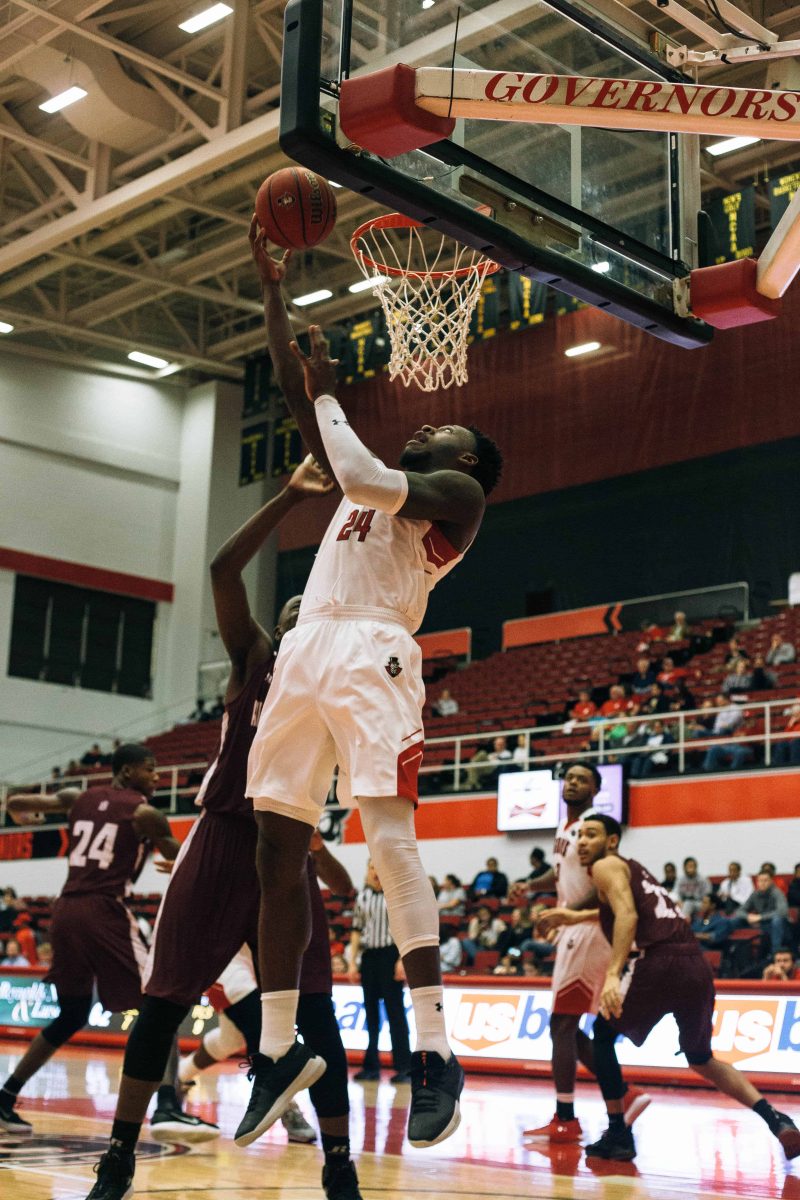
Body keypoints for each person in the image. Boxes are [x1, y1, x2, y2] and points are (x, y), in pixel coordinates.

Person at [240, 224, 503, 1152]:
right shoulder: (381, 482)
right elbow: (295, 393)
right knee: (275, 843)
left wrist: (328, 395)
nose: (430, 423)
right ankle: (277, 1051)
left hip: (374, 655)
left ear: (466, 462)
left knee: (388, 837)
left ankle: (435, 1051)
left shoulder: (454, 500)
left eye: (447, 431)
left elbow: (344, 456)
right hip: (306, 648)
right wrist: (274, 294)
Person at [83, 463, 365, 1200]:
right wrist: (291, 498)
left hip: (290, 847)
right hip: (222, 838)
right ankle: (119, 1154)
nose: (311, 617)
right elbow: (221, 568)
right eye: (298, 611)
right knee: (166, 997)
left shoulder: (343, 680)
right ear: (285, 628)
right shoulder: (258, 658)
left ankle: (340, 1168)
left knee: (314, 1015)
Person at [557, 814, 800, 1161]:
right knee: (701, 1057)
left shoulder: (605, 866)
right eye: (579, 835)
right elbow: (629, 907)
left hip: (659, 962)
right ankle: (775, 1119)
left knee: (603, 1034)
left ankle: (618, 1132)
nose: (581, 841)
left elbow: (627, 915)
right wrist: (573, 916)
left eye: (591, 835)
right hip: (695, 965)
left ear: (612, 842)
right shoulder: (633, 870)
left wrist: (613, 974)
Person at [1, 745, 180, 1136]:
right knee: (161, 1001)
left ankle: (5, 1096)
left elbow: (17, 800)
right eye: (150, 770)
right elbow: (183, 861)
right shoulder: (145, 813)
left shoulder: (77, 798)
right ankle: (169, 1104)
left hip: (64, 910)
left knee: (71, 1014)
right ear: (128, 771)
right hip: (104, 909)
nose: (157, 778)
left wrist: (21, 814)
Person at [524, 763, 649, 1144]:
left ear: (595, 789)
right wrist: (529, 885)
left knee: (562, 1025)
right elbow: (559, 873)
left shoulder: (592, 828)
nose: (573, 783)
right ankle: (624, 1093)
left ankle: (566, 1117)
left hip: (588, 930)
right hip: (576, 931)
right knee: (566, 1026)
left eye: (582, 779)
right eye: (569, 778)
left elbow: (605, 884)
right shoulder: (565, 830)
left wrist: (569, 913)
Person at [178, 945, 317, 1145]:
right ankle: (287, 1108)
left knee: (230, 1039)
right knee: (262, 1034)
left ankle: (179, 1075)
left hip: (255, 958)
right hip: (225, 960)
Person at [348, 861, 412, 1084]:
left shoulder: (395, 895)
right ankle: (371, 1066)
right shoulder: (362, 897)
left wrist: (402, 960)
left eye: (378, 867)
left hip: (390, 955)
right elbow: (356, 930)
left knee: (396, 1013)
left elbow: (406, 929)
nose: (375, 872)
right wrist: (352, 963)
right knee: (371, 1014)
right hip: (369, 957)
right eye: (372, 868)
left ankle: (404, 1067)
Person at [730, 870, 789, 957]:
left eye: (765, 880)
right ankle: (730, 951)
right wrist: (748, 916)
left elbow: (783, 911)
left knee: (777, 920)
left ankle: (775, 954)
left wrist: (760, 917)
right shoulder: (755, 894)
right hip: (759, 924)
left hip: (774, 924)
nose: (762, 883)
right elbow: (739, 911)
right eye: (760, 880)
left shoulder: (777, 893)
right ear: (757, 882)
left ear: (771, 881)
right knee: (735, 920)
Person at [676, 857, 710, 921]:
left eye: (693, 866)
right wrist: (679, 901)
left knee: (688, 903)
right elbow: (676, 893)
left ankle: (683, 923)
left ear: (696, 867)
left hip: (699, 903)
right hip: (684, 903)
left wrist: (705, 902)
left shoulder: (702, 879)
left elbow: (708, 894)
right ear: (684, 868)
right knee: (686, 904)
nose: (691, 868)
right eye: (689, 866)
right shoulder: (680, 880)